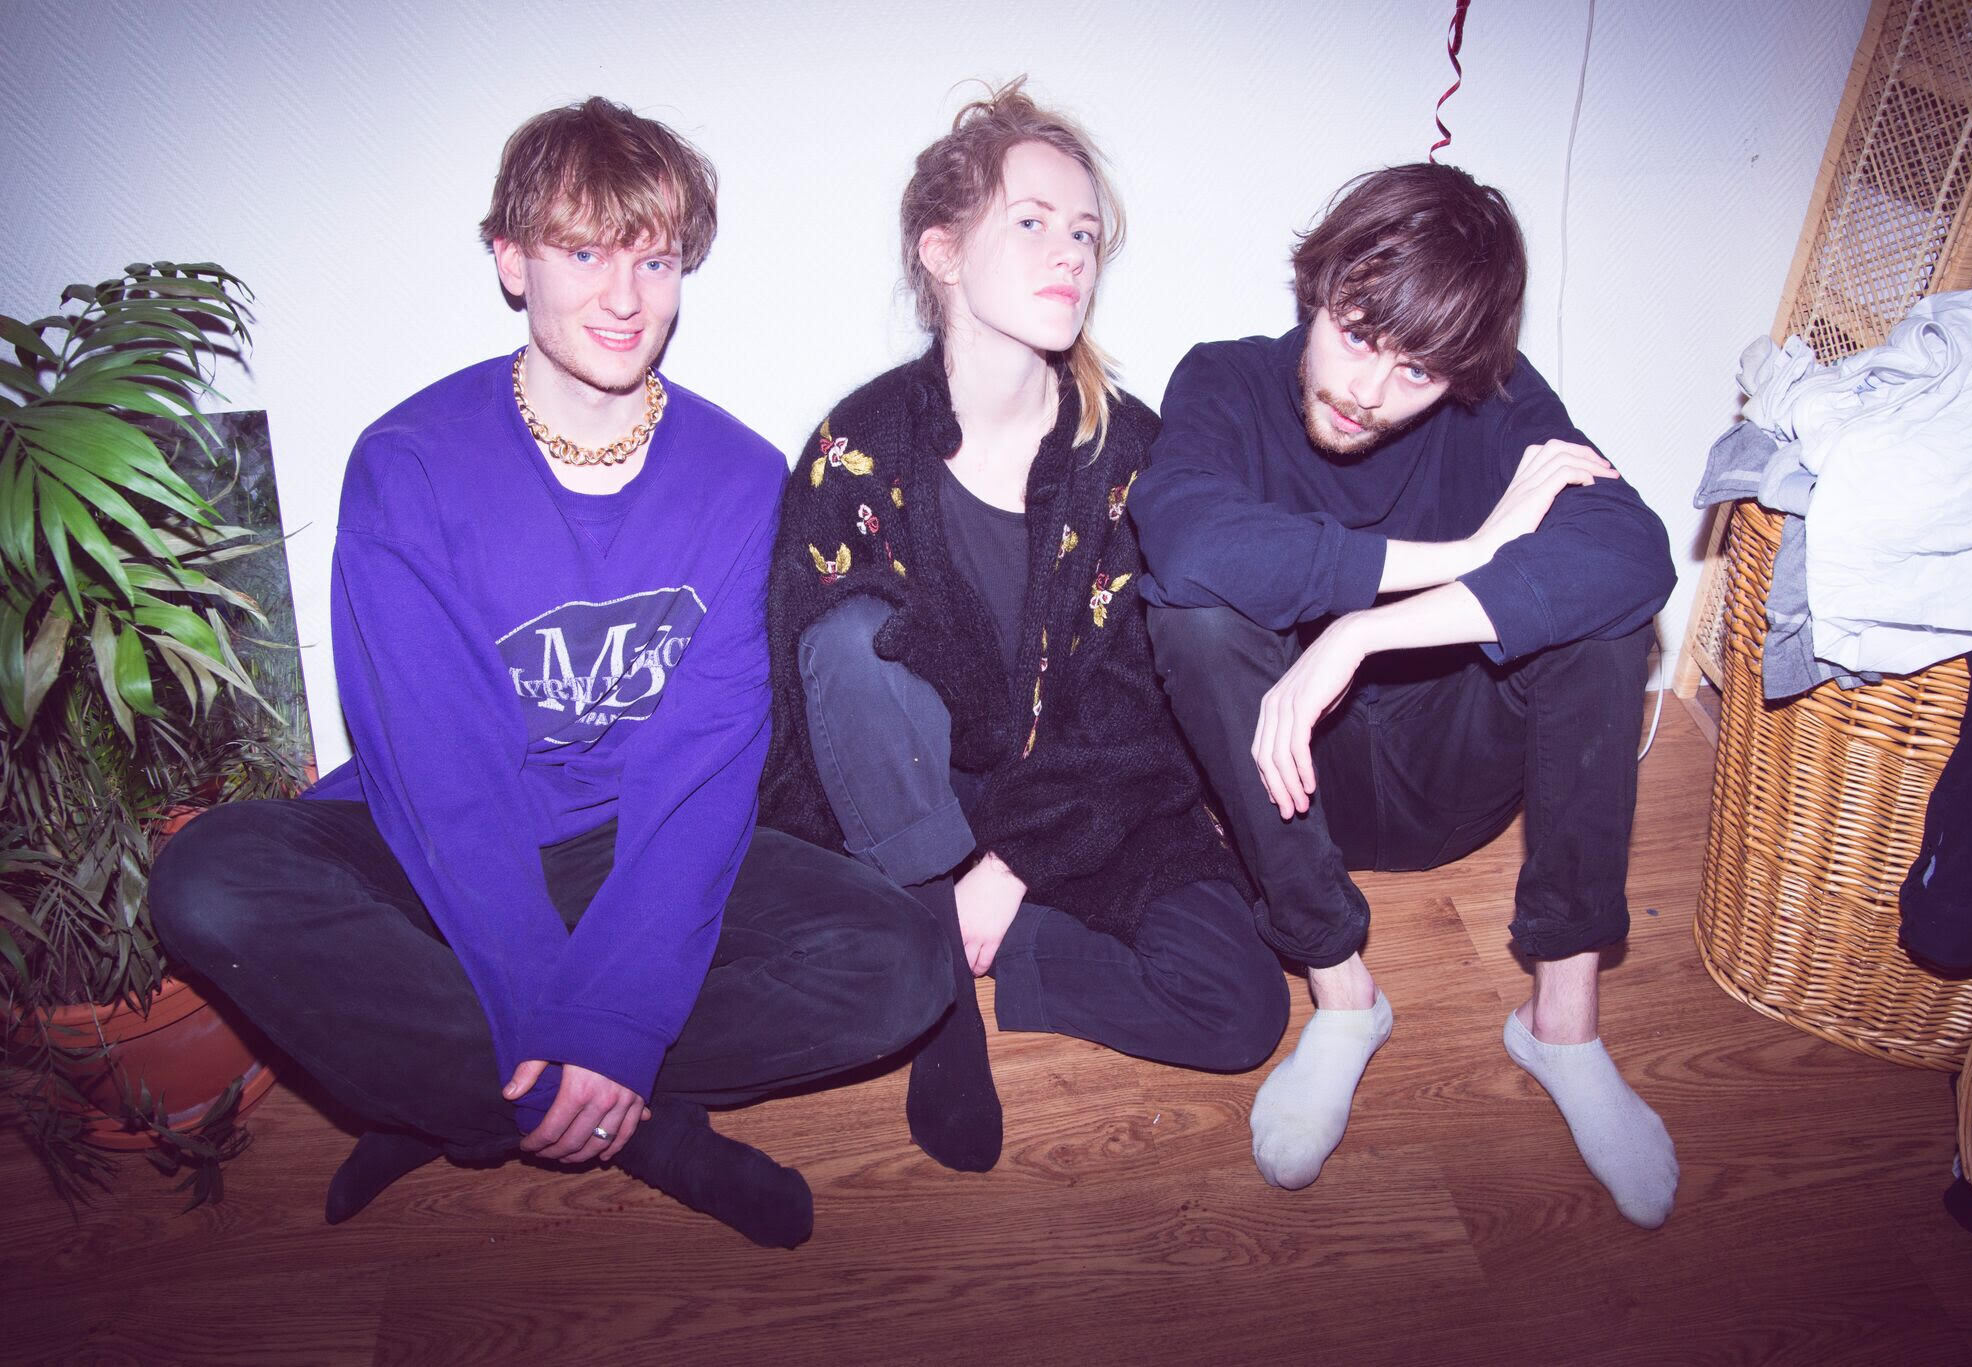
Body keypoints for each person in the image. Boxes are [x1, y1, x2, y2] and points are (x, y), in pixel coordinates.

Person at [148, 96, 950, 1249]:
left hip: (631, 834)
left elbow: (700, 766)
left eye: (654, 260)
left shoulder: (735, 474)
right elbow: (441, 774)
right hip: (435, 834)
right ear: (510, 260)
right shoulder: (410, 465)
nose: (624, 298)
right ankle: (633, 1126)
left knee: (901, 963)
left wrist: (613, 1016)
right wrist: (562, 1016)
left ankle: (456, 1095)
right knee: (209, 878)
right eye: (583, 254)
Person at [1128, 162, 1681, 1227]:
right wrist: (1464, 556)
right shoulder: (1224, 380)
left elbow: (1631, 550)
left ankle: (1561, 1024)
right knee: (1194, 613)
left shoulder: (1496, 405)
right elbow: (1187, 538)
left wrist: (1364, 630)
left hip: (1452, 767)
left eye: (1417, 367)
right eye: (1355, 333)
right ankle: (1343, 995)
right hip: (1294, 785)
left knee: (1601, 618)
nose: (1368, 389)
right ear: (1316, 286)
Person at [760, 80, 1288, 1174]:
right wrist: (900, 860)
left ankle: (950, 943)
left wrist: (1008, 867)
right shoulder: (858, 450)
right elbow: (810, 695)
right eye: (1034, 223)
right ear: (943, 252)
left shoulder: (1131, 454)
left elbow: (1149, 711)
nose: (1070, 256)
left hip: (1081, 798)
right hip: (917, 797)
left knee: (1241, 1008)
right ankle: (938, 994)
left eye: (1085, 233)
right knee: (852, 642)